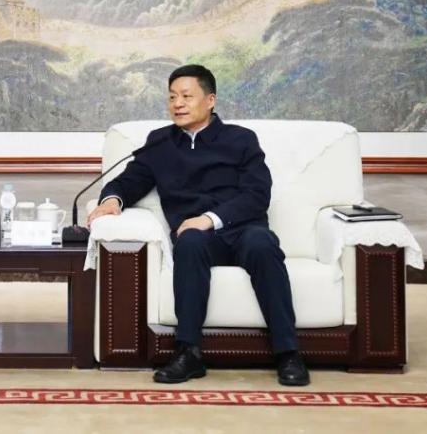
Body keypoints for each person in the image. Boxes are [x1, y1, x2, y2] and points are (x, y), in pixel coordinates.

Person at [86, 64, 310, 386]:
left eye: (187, 96)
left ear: (210, 100)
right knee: (189, 242)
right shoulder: (159, 142)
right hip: (196, 238)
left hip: (243, 229)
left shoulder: (241, 139)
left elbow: (258, 195)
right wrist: (112, 200)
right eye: (172, 97)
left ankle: (288, 353)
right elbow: (130, 180)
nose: (177, 103)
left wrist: (209, 219)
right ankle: (188, 353)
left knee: (263, 244)